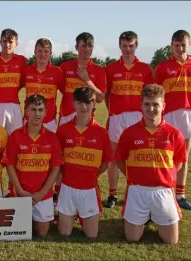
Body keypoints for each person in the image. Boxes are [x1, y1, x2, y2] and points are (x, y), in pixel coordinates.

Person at [116, 84, 186, 244]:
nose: (151, 108)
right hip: (137, 190)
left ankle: (156, 215)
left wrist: (162, 175)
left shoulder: (174, 134)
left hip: (163, 190)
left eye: (156, 104)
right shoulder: (129, 132)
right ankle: (148, 215)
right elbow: (120, 160)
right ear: (141, 105)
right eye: (147, 104)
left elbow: (178, 163)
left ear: (163, 106)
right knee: (132, 238)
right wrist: (134, 176)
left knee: (171, 241)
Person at [154, 30, 191, 211]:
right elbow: (157, 93)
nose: (180, 49)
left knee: (184, 156)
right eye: (176, 45)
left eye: (183, 45)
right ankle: (165, 190)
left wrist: (189, 107)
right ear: (171, 45)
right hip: (168, 115)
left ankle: (181, 195)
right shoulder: (162, 67)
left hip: (189, 115)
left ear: (189, 44)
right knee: (165, 156)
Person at [103, 31, 153, 208]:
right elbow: (106, 95)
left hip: (138, 117)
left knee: (137, 156)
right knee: (114, 157)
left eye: (131, 46)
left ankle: (135, 189)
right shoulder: (111, 68)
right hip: (117, 117)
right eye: (124, 46)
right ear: (119, 46)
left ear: (136, 46)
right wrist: (114, 113)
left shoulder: (145, 69)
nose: (128, 49)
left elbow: (149, 97)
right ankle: (112, 194)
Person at [56, 87, 113, 238]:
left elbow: (106, 163)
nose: (84, 107)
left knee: (91, 235)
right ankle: (69, 214)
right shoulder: (63, 130)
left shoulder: (101, 132)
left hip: (89, 189)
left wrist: (92, 175)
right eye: (80, 102)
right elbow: (56, 159)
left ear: (94, 104)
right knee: (64, 233)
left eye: (88, 103)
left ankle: (81, 214)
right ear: (74, 103)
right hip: (67, 188)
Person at [2, 94, 63, 237]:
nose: (37, 114)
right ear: (26, 111)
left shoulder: (52, 137)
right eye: (33, 109)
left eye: (41, 110)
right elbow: (9, 165)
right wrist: (19, 190)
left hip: (42, 195)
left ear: (45, 113)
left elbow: (55, 168)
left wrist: (42, 193)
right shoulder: (15, 136)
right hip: (20, 193)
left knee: (41, 233)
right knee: (19, 231)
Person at [56, 32, 107, 200]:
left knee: (81, 155)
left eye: (90, 46)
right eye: (83, 46)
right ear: (76, 47)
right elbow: (62, 89)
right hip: (66, 116)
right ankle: (60, 192)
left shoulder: (98, 70)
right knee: (62, 156)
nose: (87, 49)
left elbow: (100, 98)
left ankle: (84, 187)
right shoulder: (65, 66)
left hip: (85, 118)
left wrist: (87, 80)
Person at [23, 38, 64, 132]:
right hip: (28, 119)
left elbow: (66, 94)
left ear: (50, 53)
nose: (43, 54)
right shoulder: (26, 71)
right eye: (40, 51)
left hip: (49, 121)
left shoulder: (57, 71)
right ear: (35, 52)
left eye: (46, 51)